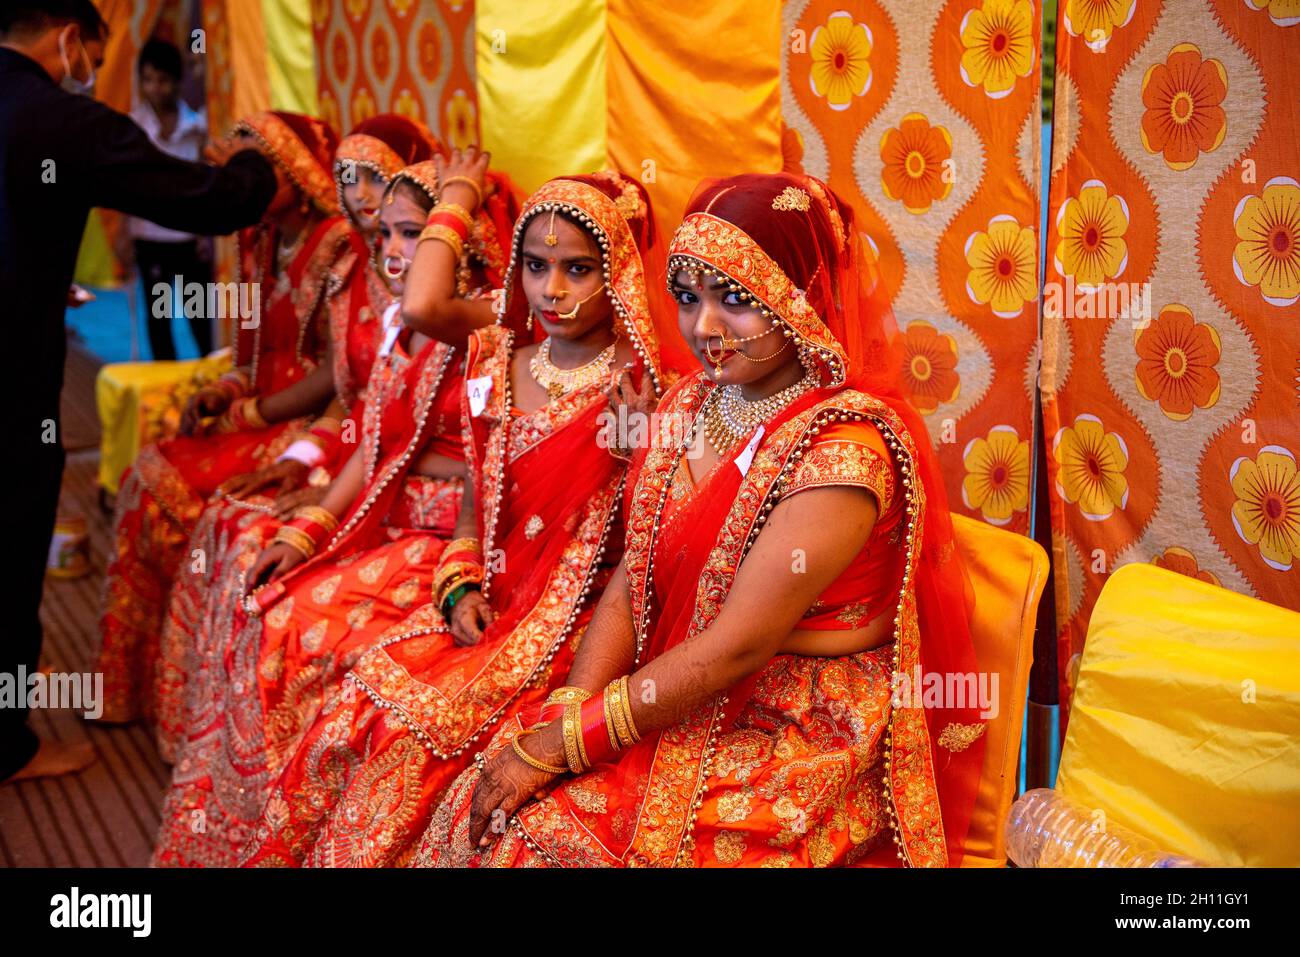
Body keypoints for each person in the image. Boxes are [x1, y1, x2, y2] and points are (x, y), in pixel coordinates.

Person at [414, 173, 987, 868]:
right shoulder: (691, 401)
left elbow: (738, 646)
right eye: (688, 297)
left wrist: (571, 741)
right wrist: (573, 707)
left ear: (796, 297)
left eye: (736, 300)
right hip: (676, 681)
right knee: (463, 781)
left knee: (542, 844)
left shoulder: (843, 455)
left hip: (793, 729)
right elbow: (636, 571)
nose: (704, 328)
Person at [238, 171, 670, 867]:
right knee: (357, 706)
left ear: (616, 270)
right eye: (536, 266)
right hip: (487, 608)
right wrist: (462, 579)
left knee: (420, 739)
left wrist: (642, 442)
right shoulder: (498, 361)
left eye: (577, 269)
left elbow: (643, 550)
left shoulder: (644, 387)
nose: (551, 289)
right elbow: (480, 498)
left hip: (575, 631)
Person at [153, 153, 514, 866]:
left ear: (461, 241)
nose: (391, 252)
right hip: (382, 512)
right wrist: (308, 527)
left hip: (442, 535)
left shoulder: (491, 332)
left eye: (413, 234)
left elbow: (475, 472)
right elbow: (371, 442)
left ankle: (291, 837)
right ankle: (238, 826)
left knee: (294, 629)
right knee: (265, 589)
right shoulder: (398, 331)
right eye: (384, 235)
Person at [0, 0, 277, 784]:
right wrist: (260, 162)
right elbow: (216, 199)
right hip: (12, 378)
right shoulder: (64, 121)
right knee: (14, 531)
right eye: (95, 48)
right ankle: (6, 744)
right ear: (68, 41)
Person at [149, 116, 446, 760]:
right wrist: (297, 457)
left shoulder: (455, 311)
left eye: (379, 182)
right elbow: (356, 395)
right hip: (354, 456)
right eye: (351, 180)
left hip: (401, 495)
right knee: (231, 533)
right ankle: (209, 750)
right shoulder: (360, 272)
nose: (365, 200)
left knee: (257, 564)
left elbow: (405, 426)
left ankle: (277, 770)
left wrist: (285, 450)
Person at [95, 110, 350, 730]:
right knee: (148, 472)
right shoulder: (257, 238)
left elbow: (342, 374)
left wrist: (249, 411)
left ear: (293, 171)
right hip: (259, 414)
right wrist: (224, 391)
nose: (244, 183)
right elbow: (252, 352)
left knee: (161, 486)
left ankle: (172, 693)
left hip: (317, 425)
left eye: (257, 170)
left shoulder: (339, 245)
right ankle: (137, 688)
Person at [123, 38, 213, 359]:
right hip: (149, 238)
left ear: (176, 81)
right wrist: (124, 236)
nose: (155, 88)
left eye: (162, 80)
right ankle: (167, 392)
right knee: (159, 318)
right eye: (147, 80)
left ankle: (212, 382)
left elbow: (205, 185)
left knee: (200, 314)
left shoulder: (197, 127)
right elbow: (127, 187)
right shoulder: (134, 128)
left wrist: (205, 234)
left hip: (189, 237)